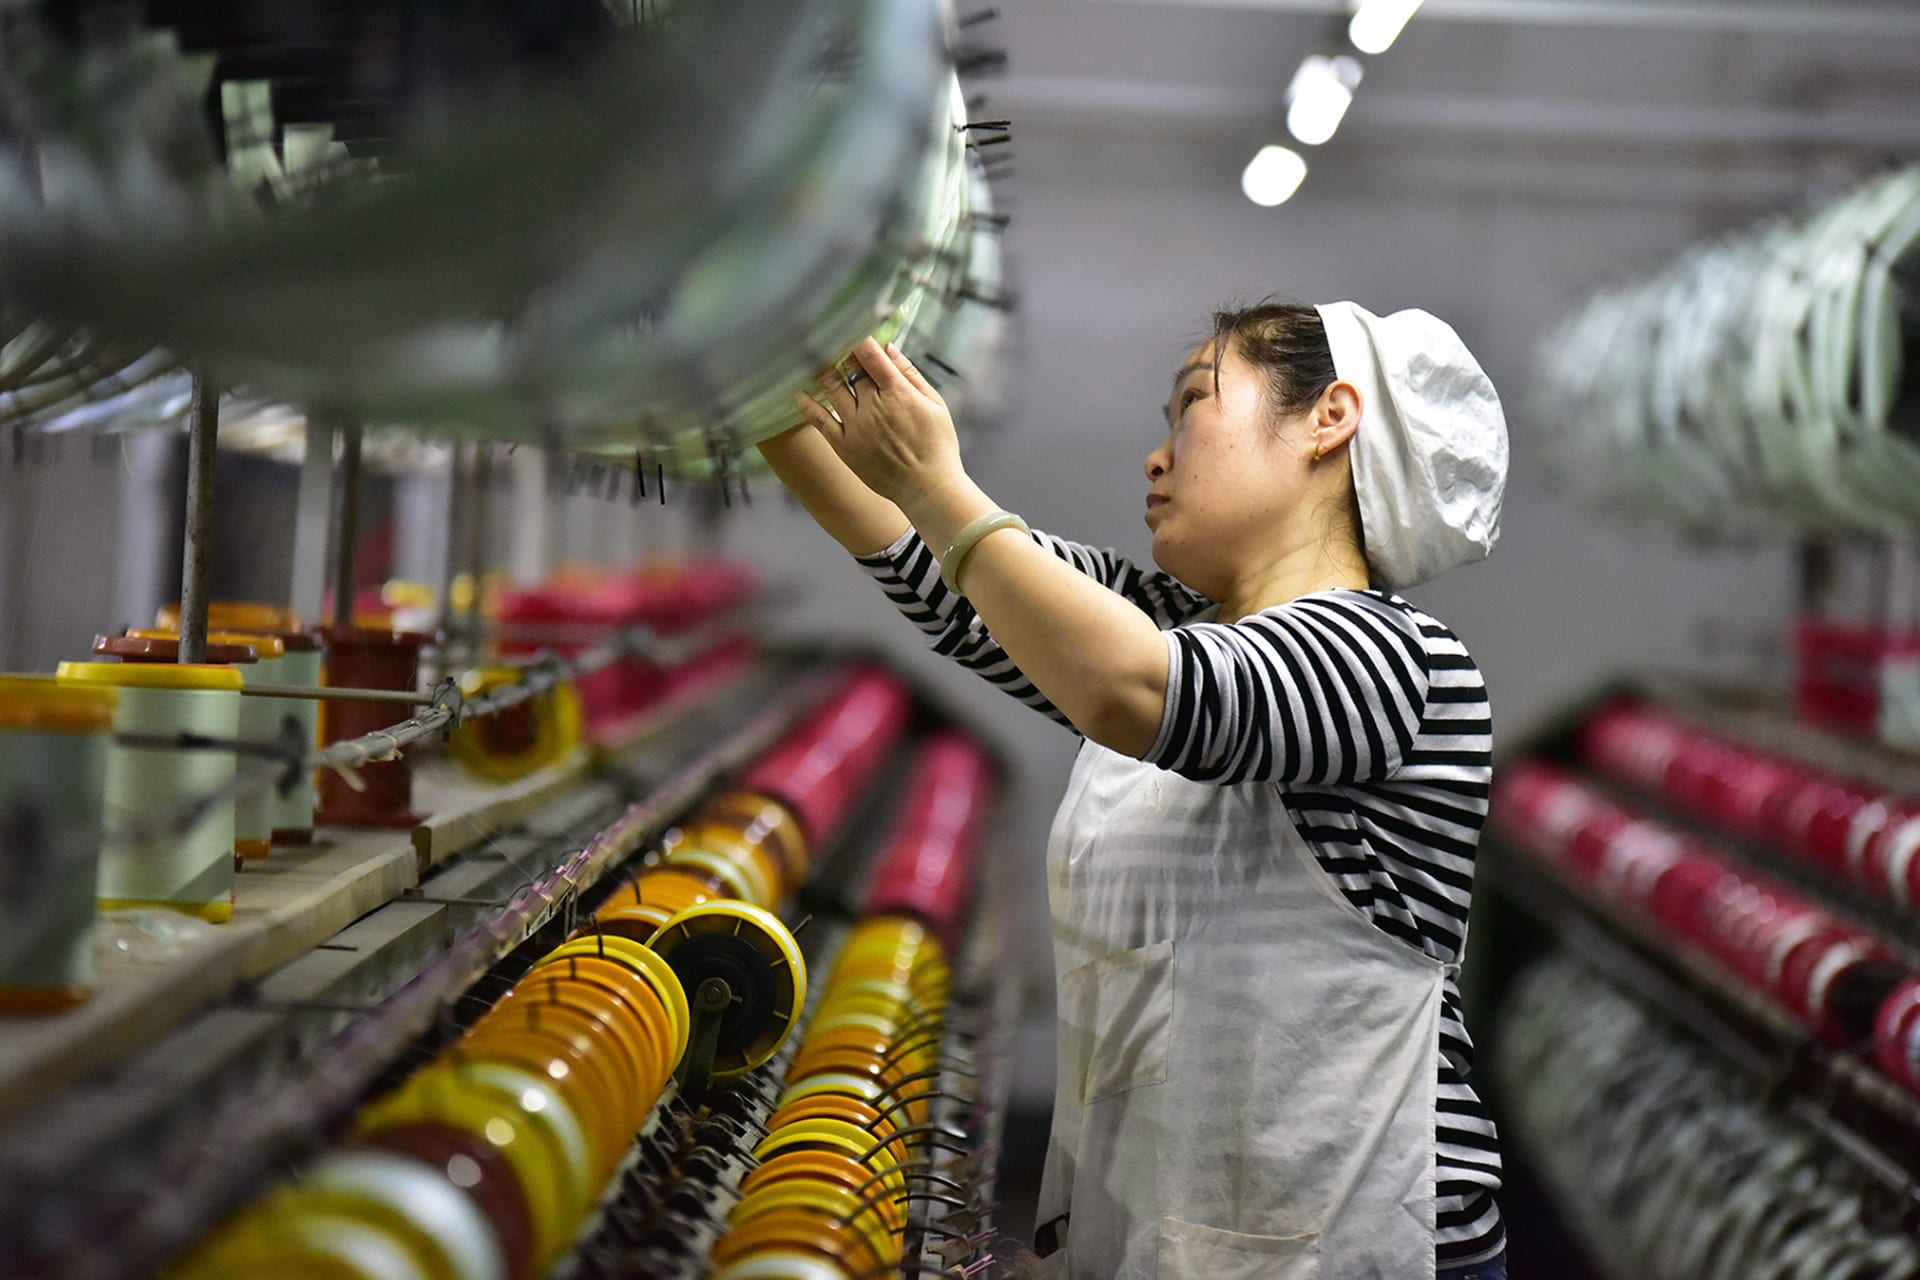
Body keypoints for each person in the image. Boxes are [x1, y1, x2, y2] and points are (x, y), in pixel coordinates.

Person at [759, 299, 1510, 1280]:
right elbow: (941, 564)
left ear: (1329, 418)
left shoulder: (1396, 658)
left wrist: (941, 482)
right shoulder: (1169, 628)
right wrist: (752, 389)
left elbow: (1129, 687)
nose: (1157, 458)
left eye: (1193, 404)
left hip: (1366, 1248)